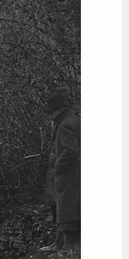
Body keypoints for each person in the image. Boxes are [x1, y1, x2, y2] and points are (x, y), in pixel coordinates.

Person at [45, 88, 81, 248]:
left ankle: (66, 251)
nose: (50, 115)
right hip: (75, 176)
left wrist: (58, 165)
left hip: (69, 176)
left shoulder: (65, 125)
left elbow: (71, 151)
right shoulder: (73, 120)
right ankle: (63, 247)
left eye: (52, 111)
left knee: (68, 213)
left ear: (59, 110)